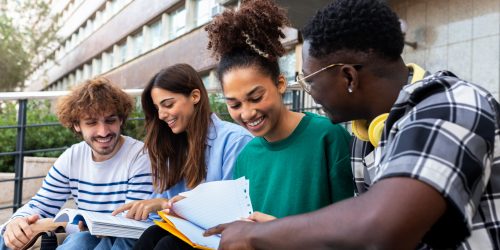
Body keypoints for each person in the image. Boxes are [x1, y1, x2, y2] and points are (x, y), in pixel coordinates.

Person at [204, 0, 500, 249]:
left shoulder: (451, 105)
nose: (310, 93)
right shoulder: (364, 138)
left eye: (309, 81)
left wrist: (257, 235)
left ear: (347, 77)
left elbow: (383, 228)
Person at [204, 0, 353, 223]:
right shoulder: (246, 156)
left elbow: (352, 227)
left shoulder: (328, 136)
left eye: (256, 98)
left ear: (280, 83)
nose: (247, 113)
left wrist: (279, 233)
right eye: (234, 105)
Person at [0, 77, 153, 250]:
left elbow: (129, 224)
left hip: (123, 239)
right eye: (92, 123)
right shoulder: (73, 156)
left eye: (110, 120)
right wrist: (16, 222)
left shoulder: (140, 156)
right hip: (87, 234)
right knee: (7, 235)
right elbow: (42, 203)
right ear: (77, 125)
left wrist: (61, 224)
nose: (103, 132)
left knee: (80, 241)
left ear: (121, 121)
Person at [111, 64, 252, 250]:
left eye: (168, 104)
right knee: (151, 235)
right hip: (186, 234)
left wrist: (165, 204)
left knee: (168, 245)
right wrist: (136, 213)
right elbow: (160, 210)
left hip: (222, 237)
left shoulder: (234, 141)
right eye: (157, 108)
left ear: (195, 96)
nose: (161, 115)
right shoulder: (172, 146)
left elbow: (232, 213)